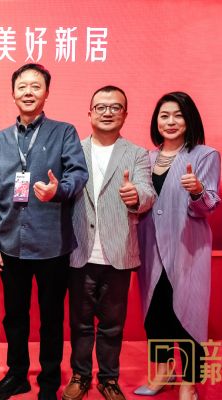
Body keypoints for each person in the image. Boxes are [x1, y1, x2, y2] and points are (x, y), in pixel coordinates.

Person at [0, 63, 88, 400]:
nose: (28, 92)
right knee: (14, 316)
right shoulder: (1, 139)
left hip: (51, 243)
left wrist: (58, 190)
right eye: (22, 86)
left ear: (46, 93)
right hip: (10, 243)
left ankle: (49, 382)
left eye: (36, 86)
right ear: (13, 93)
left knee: (51, 318)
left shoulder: (64, 132)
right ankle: (17, 376)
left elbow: (78, 174)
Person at [63, 86, 156, 400]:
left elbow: (147, 192)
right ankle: (80, 375)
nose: (107, 112)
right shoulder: (73, 150)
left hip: (119, 252)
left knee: (113, 324)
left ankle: (109, 378)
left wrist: (136, 196)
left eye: (115, 107)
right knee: (80, 323)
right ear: (89, 113)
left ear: (125, 114)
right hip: (80, 251)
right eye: (100, 107)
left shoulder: (137, 153)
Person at [135, 92, 221, 400]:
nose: (170, 122)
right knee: (155, 312)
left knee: (189, 314)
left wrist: (197, 190)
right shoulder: (145, 158)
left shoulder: (205, 155)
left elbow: (208, 205)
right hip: (150, 248)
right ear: (156, 121)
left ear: (189, 119)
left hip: (187, 249)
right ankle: (163, 372)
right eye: (164, 116)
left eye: (178, 115)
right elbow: (141, 203)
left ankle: (189, 382)